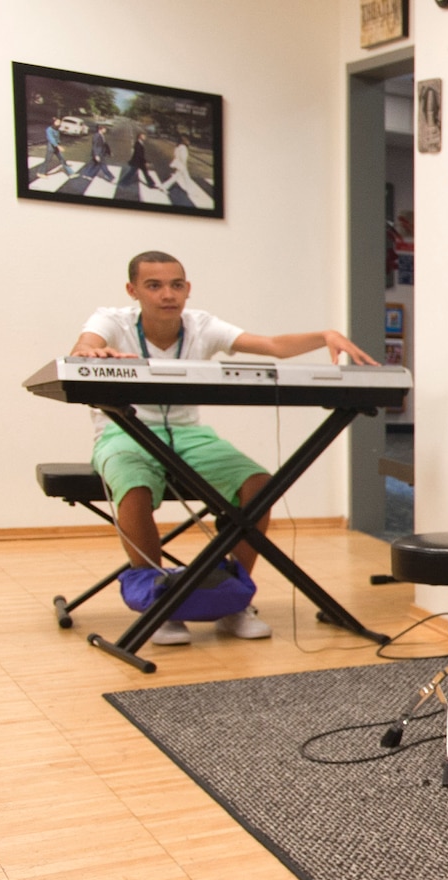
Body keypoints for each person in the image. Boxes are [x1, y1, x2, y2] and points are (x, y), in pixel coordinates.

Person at [71, 250, 377, 645]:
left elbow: (271, 345)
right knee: (133, 483)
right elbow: (83, 347)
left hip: (190, 436)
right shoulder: (110, 320)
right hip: (123, 433)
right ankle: (158, 606)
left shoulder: (202, 326)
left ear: (188, 289)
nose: (168, 294)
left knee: (259, 484)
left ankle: (232, 600)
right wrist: (91, 352)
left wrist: (325, 336)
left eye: (176, 285)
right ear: (133, 290)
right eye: (154, 285)